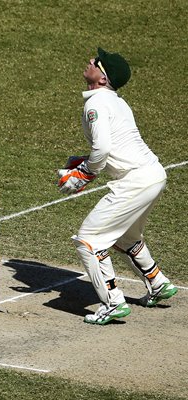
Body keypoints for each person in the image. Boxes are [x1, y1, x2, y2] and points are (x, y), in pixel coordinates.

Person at [57, 47, 177, 325]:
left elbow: (103, 148)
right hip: (152, 175)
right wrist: (85, 161)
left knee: (89, 241)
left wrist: (84, 173)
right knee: (126, 238)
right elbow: (112, 148)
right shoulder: (116, 102)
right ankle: (158, 283)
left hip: (135, 181)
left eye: (96, 63)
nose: (90, 61)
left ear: (102, 78)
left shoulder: (96, 104)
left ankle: (112, 303)